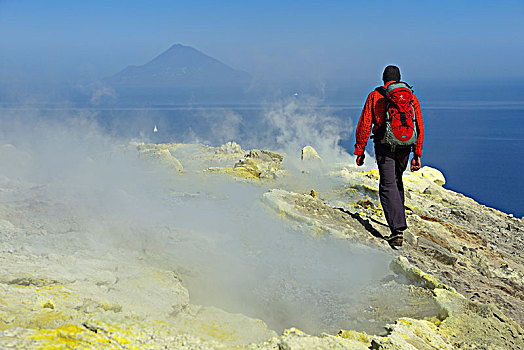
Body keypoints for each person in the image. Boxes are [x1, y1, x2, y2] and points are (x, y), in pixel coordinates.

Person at [353, 65, 424, 248]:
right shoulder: (410, 96)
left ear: (384, 79)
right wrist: (417, 153)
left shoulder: (375, 96)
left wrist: (360, 151)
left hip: (384, 145)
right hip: (406, 146)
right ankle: (399, 221)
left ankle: (397, 230)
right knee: (397, 180)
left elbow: (365, 124)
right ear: (399, 78)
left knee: (388, 184)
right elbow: (419, 126)